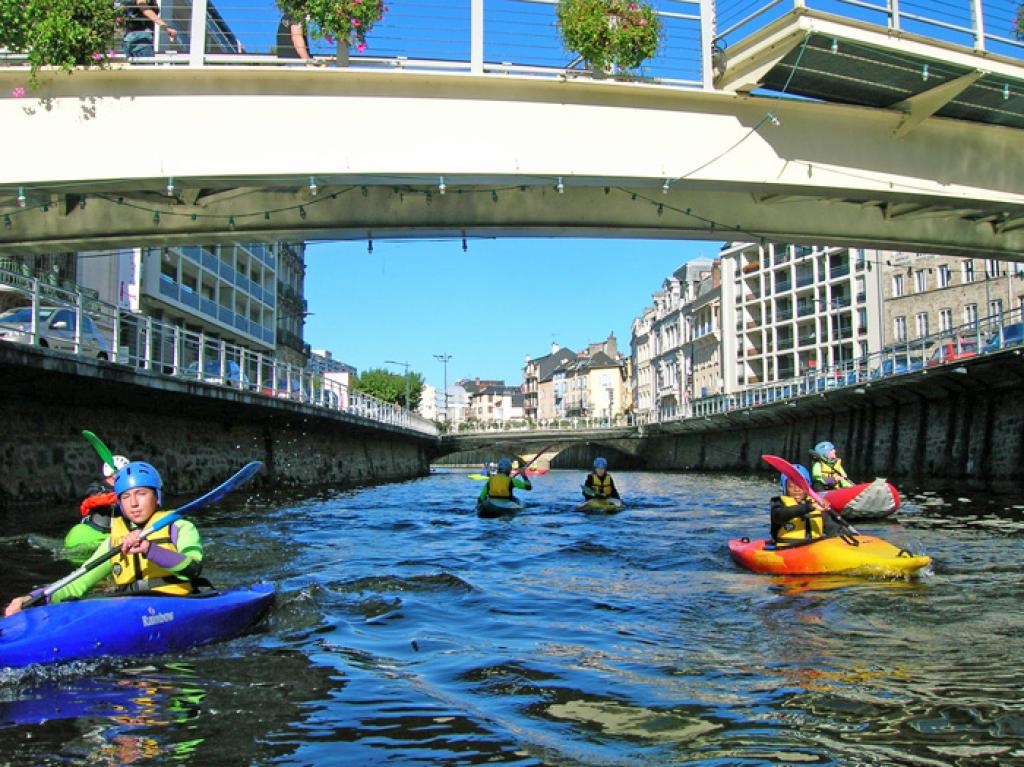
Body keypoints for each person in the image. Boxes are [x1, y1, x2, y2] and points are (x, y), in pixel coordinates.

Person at [5, 461, 204, 617]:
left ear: (157, 496)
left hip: (176, 603)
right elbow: (76, 582)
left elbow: (193, 569)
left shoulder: (180, 528)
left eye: (141, 494)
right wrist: (31, 598)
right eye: (125, 497)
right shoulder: (116, 540)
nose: (133, 503)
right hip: (129, 608)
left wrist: (149, 549)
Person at [770, 465, 844, 544]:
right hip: (785, 549)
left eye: (801, 485)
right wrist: (810, 507)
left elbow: (833, 528)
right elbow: (778, 516)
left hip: (814, 548)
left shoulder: (815, 505)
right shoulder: (778, 504)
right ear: (785, 487)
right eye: (791, 485)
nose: (797, 489)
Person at [68, 455, 130, 545]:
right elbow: (93, 500)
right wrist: (116, 497)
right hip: (95, 529)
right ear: (112, 473)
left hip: (117, 532)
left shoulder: (127, 489)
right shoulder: (96, 487)